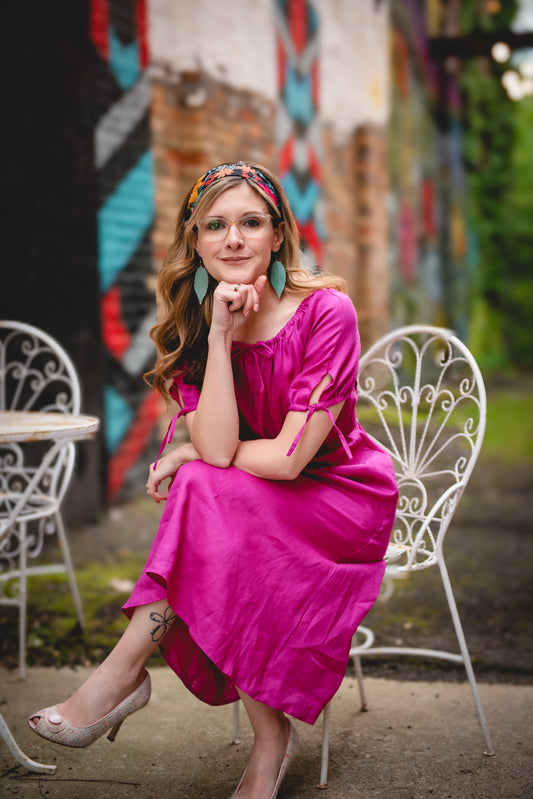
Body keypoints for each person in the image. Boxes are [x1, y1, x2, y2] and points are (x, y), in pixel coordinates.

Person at [28, 162, 398, 799]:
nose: (234, 240)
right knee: (211, 492)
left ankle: (120, 681)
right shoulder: (199, 330)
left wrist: (195, 458)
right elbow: (222, 449)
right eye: (215, 226)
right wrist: (221, 336)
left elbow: (287, 460)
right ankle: (264, 737)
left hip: (335, 496)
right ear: (194, 242)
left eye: (251, 223)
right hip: (251, 499)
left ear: (278, 234)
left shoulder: (325, 311)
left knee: (204, 487)